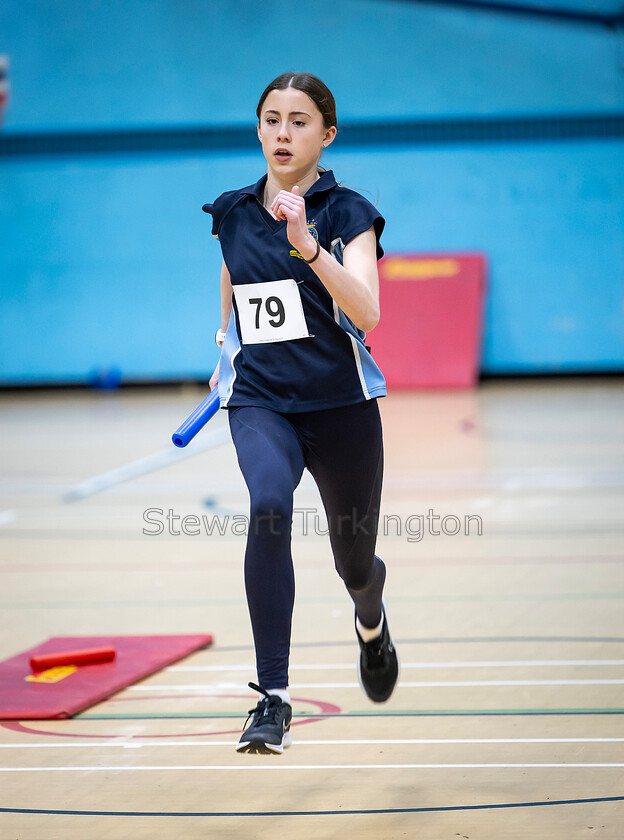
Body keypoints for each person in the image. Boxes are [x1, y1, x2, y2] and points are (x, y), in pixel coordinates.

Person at [204, 72, 399, 755]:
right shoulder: (230, 211)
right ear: (258, 129)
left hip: (342, 409)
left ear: (326, 135)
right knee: (268, 504)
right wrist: (223, 345)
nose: (283, 133)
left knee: (354, 564)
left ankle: (371, 620)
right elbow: (234, 285)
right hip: (261, 403)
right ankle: (273, 698)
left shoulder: (348, 212)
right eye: (271, 120)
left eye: (298, 121)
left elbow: (367, 313)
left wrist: (307, 242)